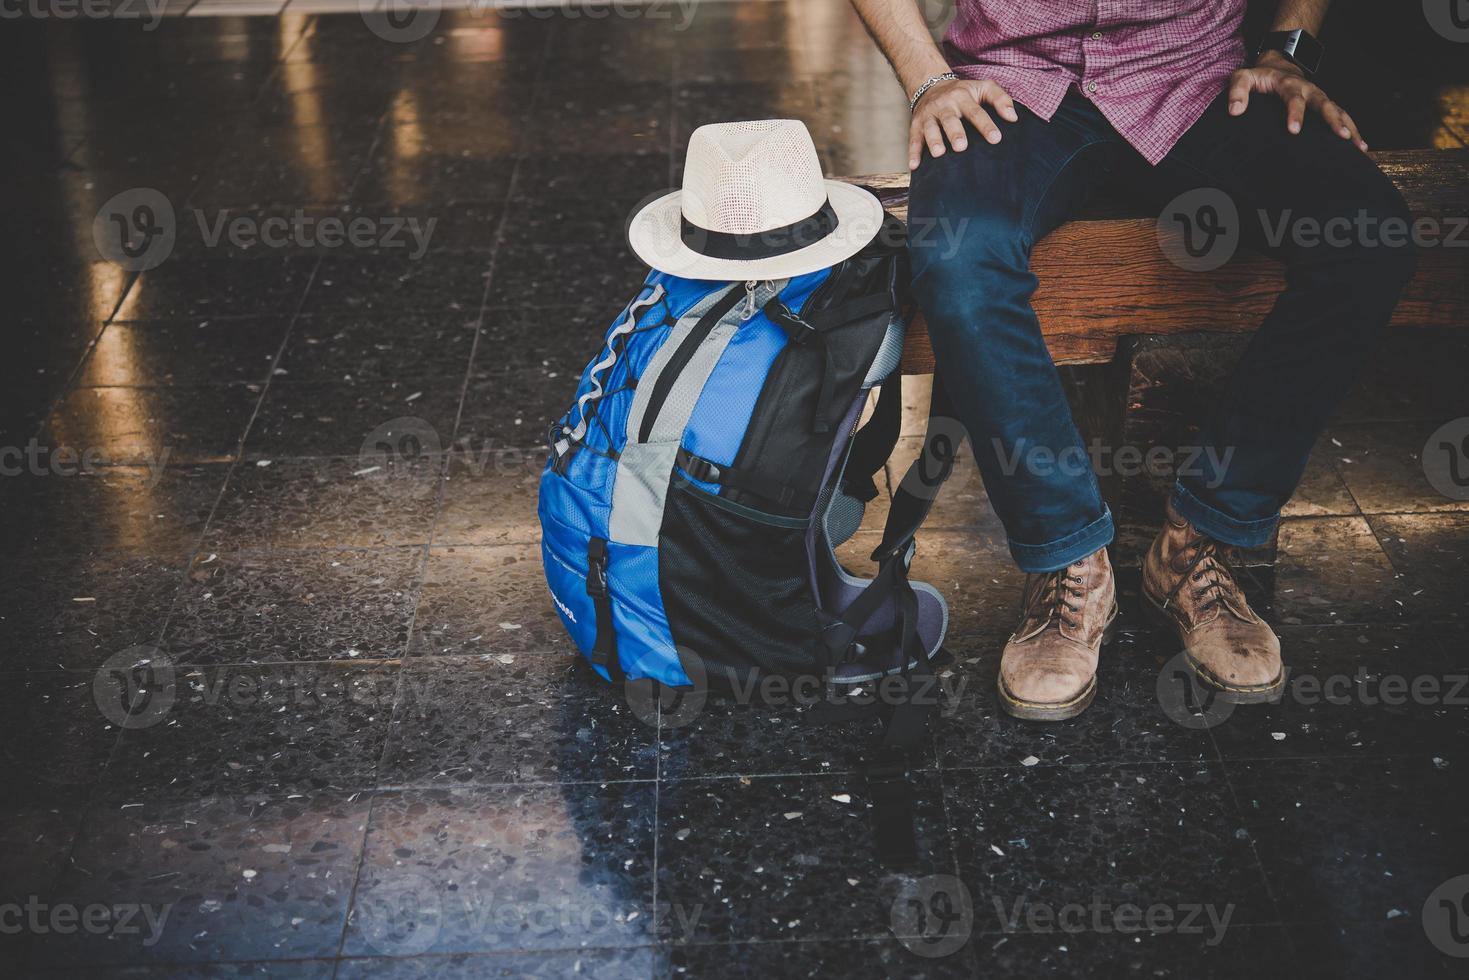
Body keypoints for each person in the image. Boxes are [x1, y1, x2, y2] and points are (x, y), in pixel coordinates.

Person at [849, 0, 1416, 719]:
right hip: (1011, 85)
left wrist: (1288, 51)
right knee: (959, 260)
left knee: (1368, 237)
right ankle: (1067, 565)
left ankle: (1197, 545)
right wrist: (926, 79)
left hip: (1197, 82)